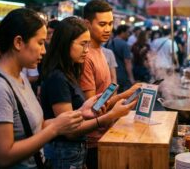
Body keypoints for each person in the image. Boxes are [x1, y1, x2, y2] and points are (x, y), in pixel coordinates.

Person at [0, 8, 84, 168]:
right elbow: (3, 156)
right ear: (18, 42)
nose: (44, 50)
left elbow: (32, 127)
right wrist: (54, 130)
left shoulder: (21, 77)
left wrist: (72, 117)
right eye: (40, 42)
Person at [41, 17, 136, 168]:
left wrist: (87, 111)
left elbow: (75, 116)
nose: (86, 50)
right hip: (64, 156)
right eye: (82, 44)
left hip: (75, 153)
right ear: (65, 43)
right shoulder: (57, 78)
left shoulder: (69, 72)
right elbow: (69, 131)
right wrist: (110, 116)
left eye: (88, 44)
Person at [80, 0, 141, 169]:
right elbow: (94, 108)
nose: (108, 29)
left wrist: (126, 94)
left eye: (110, 23)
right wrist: (124, 95)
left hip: (106, 133)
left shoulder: (101, 51)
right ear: (87, 23)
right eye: (102, 24)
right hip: (93, 142)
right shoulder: (86, 58)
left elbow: (104, 97)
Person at [105, 25, 135, 92]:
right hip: (122, 76)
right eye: (127, 32)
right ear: (122, 32)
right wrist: (131, 78)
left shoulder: (109, 43)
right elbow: (128, 62)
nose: (128, 34)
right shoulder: (124, 44)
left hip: (111, 74)